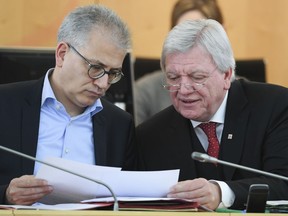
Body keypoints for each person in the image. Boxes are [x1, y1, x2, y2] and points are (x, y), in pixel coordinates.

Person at [135, 19, 288, 210]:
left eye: (197, 77)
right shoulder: (149, 136)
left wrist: (221, 192)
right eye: (173, 78)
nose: (183, 89)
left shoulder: (276, 107)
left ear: (226, 75)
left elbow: (284, 183)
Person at [0, 4, 135, 205]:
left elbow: (129, 199)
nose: (102, 83)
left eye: (112, 73)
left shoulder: (119, 125)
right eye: (95, 68)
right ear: (62, 54)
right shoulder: (5, 104)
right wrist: (6, 194)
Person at [134, 0, 223, 125]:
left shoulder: (244, 95)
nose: (188, 45)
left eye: (199, 36)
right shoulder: (144, 92)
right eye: (182, 35)